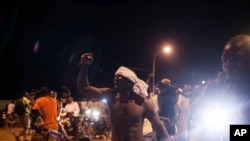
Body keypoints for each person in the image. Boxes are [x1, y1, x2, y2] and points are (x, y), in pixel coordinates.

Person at [77, 52, 170, 141]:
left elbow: (159, 126)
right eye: (115, 77)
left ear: (130, 82)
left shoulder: (142, 103)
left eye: (120, 77)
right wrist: (84, 65)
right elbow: (83, 88)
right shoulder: (110, 96)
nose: (115, 79)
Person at [190, 34, 250, 141]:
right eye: (224, 58)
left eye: (235, 59)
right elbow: (198, 117)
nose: (227, 64)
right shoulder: (218, 87)